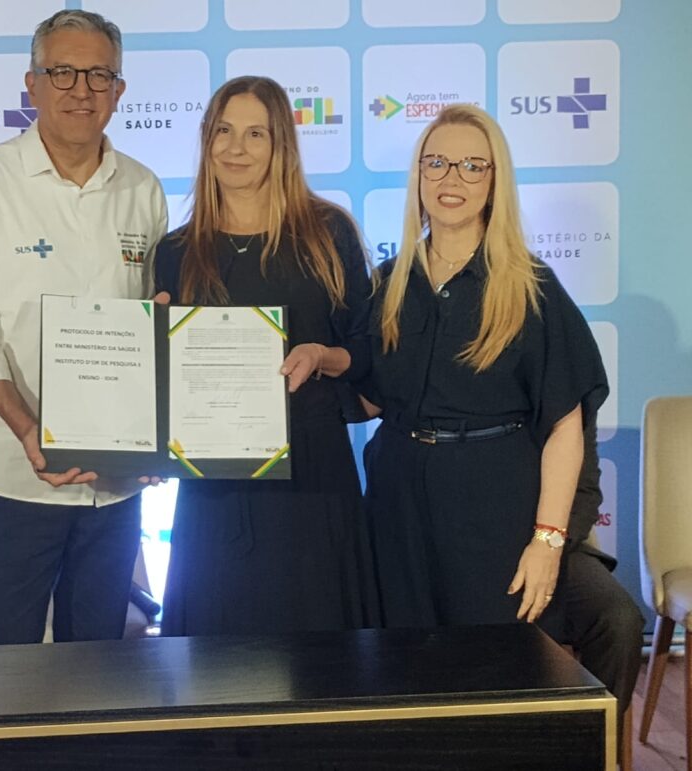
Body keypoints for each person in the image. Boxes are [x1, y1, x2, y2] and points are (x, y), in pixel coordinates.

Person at [0, 10, 167, 646]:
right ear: (32, 84)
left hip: (114, 487)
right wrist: (32, 432)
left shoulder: (142, 188)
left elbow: (152, 329)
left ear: (119, 90)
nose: (81, 90)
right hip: (11, 476)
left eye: (99, 75)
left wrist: (162, 437)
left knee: (99, 667)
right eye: (62, 72)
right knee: (2, 669)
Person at [361, 103, 608, 640]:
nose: (452, 179)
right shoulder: (386, 284)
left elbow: (566, 426)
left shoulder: (532, 288)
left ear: (495, 183)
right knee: (404, 664)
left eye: (473, 166)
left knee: (498, 663)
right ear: (419, 175)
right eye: (437, 163)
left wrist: (547, 540)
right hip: (397, 505)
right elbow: (368, 397)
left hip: (495, 506)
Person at [154, 76, 379, 636]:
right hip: (213, 489)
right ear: (206, 139)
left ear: (282, 144)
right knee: (215, 663)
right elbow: (162, 383)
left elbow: (369, 351)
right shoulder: (175, 252)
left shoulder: (328, 234)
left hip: (313, 480)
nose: (236, 148)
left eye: (256, 134)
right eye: (224, 131)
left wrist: (323, 356)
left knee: (321, 658)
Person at [564, 417, 644, 716]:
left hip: (557, 548)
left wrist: (549, 547)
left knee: (619, 620)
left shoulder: (569, 401)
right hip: (460, 551)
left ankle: (599, 740)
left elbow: (584, 494)